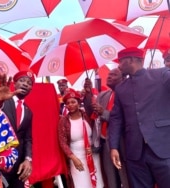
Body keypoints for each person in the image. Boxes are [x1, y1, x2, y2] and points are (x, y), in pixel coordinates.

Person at [109, 47, 170, 188]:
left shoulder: (161, 75)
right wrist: (113, 147)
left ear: (131, 60)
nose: (119, 65)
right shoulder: (121, 88)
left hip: (164, 148)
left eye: (121, 61)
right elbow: (116, 119)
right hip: (135, 154)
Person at [0, 71, 34, 188]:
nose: (25, 84)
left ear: (31, 89)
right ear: (14, 83)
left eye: (29, 83)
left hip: (18, 167)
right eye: (22, 81)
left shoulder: (29, 111)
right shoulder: (2, 101)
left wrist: (28, 159)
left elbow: (27, 138)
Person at [58, 89, 104, 188]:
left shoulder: (86, 115)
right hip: (76, 157)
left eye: (73, 102)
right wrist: (73, 158)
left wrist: (94, 147)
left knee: (97, 180)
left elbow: (96, 131)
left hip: (92, 154)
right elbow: (63, 143)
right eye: (68, 103)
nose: (70, 105)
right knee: (81, 182)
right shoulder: (63, 121)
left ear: (79, 103)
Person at [92, 68, 130, 188]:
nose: (109, 77)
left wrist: (104, 113)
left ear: (123, 78)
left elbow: (125, 118)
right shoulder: (103, 95)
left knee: (125, 176)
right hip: (105, 143)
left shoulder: (127, 94)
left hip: (122, 144)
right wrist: (88, 94)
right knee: (111, 179)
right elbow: (91, 113)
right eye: (109, 74)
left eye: (113, 75)